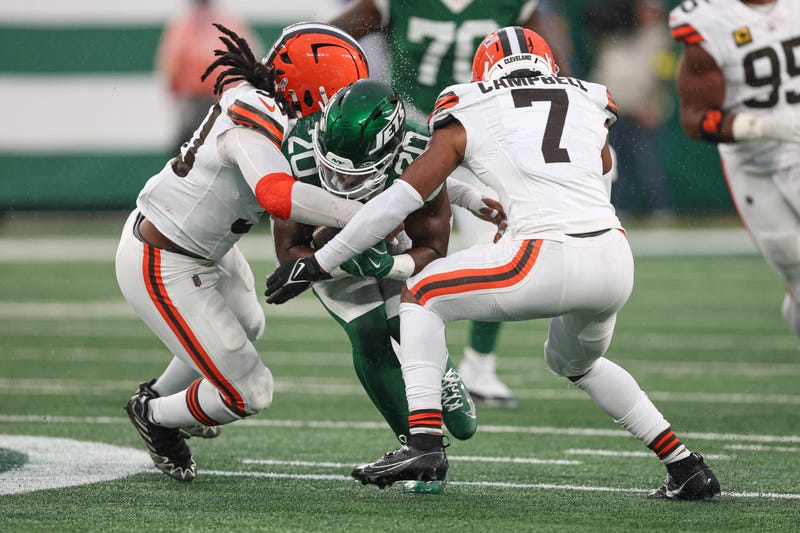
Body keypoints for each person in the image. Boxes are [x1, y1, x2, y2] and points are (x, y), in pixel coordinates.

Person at [266, 26, 721, 501]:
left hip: (544, 255)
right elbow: (600, 174)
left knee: (421, 293)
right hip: (612, 255)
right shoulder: (586, 98)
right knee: (575, 362)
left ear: (483, 72)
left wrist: (321, 262)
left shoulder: (469, 103)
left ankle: (423, 444)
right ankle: (686, 466)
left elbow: (399, 199)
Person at [116, 22, 371, 482]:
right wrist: (359, 215)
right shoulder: (256, 113)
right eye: (338, 96)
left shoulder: (274, 104)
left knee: (249, 324)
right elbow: (277, 195)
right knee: (249, 393)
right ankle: (155, 416)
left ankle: (156, 394)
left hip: (207, 250)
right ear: (312, 90)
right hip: (163, 261)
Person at [329, 0, 573, 407]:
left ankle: (479, 366)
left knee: (496, 242)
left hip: (485, 135)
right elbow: (332, 40)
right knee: (395, 238)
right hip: (409, 133)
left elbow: (549, 63)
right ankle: (416, 357)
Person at [275, 79, 509, 491]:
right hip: (329, 252)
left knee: (410, 324)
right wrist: (320, 253)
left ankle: (443, 373)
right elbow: (288, 250)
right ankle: (420, 450)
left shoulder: (422, 147)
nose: (341, 184)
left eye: (356, 176)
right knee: (368, 333)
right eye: (333, 171)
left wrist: (390, 263)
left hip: (397, 247)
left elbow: (432, 248)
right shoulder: (297, 148)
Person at [669, 0, 800, 343]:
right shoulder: (709, 20)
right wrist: (760, 127)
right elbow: (694, 118)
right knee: (795, 269)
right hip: (754, 166)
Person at [585, 0, 674, 221]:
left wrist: (656, 105)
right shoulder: (618, 29)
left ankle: (659, 209)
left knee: (647, 164)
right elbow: (596, 19)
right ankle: (615, 207)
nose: (647, 14)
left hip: (640, 109)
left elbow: (662, 78)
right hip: (612, 110)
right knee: (613, 163)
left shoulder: (660, 38)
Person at [155, 0, 261, 152]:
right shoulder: (228, 23)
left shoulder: (182, 27)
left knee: (191, 154)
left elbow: (170, 67)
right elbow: (249, 61)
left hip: (204, 101)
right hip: (216, 100)